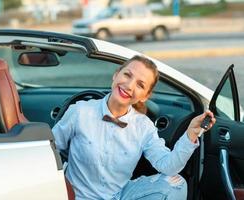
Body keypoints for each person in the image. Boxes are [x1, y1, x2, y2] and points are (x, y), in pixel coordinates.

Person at [52, 55, 216, 200]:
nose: (129, 86)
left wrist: (191, 134)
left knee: (177, 184)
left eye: (140, 85)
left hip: (119, 195)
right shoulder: (80, 111)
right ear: (116, 75)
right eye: (127, 75)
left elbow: (168, 166)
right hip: (76, 196)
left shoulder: (144, 126)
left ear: (145, 96)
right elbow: (50, 150)